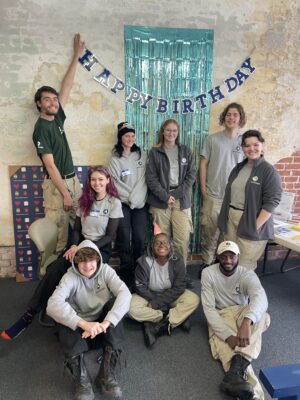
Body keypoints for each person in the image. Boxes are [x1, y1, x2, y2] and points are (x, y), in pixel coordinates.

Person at [1, 166, 123, 341]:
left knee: (80, 271)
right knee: (57, 267)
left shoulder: (114, 203)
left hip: (99, 248)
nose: (97, 183)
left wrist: (87, 249)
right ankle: (29, 315)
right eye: (94, 179)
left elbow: (111, 235)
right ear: (89, 181)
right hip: (79, 244)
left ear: (108, 181)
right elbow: (76, 229)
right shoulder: (85, 199)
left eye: (101, 179)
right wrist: (74, 246)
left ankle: (76, 312)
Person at [47, 240, 132, 400]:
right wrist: (84, 324)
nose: (87, 265)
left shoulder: (106, 271)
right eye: (83, 261)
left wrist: (106, 323)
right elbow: (52, 304)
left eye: (91, 260)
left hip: (101, 329)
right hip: (81, 331)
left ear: (98, 259)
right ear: (76, 262)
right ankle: (82, 380)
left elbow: (125, 294)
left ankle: (106, 375)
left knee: (117, 306)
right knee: (63, 316)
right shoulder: (70, 276)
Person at [32, 33, 85, 253]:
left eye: (54, 99)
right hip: (57, 187)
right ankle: (55, 282)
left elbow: (67, 86)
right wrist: (64, 193)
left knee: (82, 225)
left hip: (73, 181)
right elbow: (50, 165)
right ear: (39, 104)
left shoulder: (57, 118)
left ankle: (78, 274)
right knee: (59, 237)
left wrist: (76, 56)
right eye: (47, 99)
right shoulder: (41, 128)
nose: (53, 102)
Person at [201, 241, 270, 400]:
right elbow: (209, 310)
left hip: (242, 311)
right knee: (229, 349)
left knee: (263, 316)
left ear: (238, 256)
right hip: (221, 313)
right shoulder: (208, 273)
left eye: (232, 256)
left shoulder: (247, 274)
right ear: (217, 257)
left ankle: (234, 374)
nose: (228, 260)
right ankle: (254, 396)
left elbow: (261, 298)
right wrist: (227, 336)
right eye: (223, 256)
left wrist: (247, 321)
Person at [218, 130, 282, 270]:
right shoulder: (238, 168)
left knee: (244, 265)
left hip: (251, 221)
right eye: (247, 145)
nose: (251, 149)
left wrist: (254, 226)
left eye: (255, 144)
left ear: (262, 145)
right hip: (232, 217)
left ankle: (242, 292)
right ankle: (231, 290)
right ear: (242, 148)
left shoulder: (269, 171)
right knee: (230, 261)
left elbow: (271, 203)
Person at [128, 232, 200, 348]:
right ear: (152, 245)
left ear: (170, 245)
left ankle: (158, 324)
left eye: (165, 242)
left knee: (193, 299)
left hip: (170, 294)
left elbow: (179, 287)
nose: (161, 245)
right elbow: (140, 287)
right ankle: (170, 316)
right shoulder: (143, 262)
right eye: (157, 242)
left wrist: (157, 303)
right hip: (148, 296)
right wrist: (155, 301)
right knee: (129, 307)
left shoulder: (177, 260)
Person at [199, 103, 246, 275]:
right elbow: (203, 164)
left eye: (235, 115)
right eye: (228, 114)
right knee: (210, 232)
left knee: (229, 234)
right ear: (224, 117)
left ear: (240, 118)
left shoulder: (244, 142)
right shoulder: (212, 139)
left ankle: (224, 265)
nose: (231, 117)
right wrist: (203, 188)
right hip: (214, 194)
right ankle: (207, 263)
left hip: (235, 198)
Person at [145, 119, 195, 267]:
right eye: (168, 130)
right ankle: (162, 271)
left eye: (174, 130)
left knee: (182, 238)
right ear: (163, 131)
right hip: (160, 202)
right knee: (161, 240)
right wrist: (165, 196)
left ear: (178, 133)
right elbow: (150, 178)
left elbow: (191, 175)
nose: (171, 133)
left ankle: (180, 272)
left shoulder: (186, 151)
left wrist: (176, 194)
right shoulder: (155, 152)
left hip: (181, 200)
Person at [108, 122, 148, 288]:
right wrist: (130, 198)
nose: (130, 139)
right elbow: (114, 184)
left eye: (132, 135)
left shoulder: (141, 155)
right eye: (126, 136)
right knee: (124, 238)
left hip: (140, 204)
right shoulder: (114, 159)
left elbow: (143, 180)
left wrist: (136, 199)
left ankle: (139, 270)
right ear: (120, 138)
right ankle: (125, 271)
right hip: (122, 203)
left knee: (139, 237)